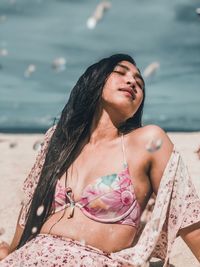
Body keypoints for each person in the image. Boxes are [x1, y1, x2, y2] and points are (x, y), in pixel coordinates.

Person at [0, 54, 200, 267]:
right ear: (95, 81)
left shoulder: (148, 141)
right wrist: (11, 252)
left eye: (139, 83)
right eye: (121, 73)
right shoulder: (59, 140)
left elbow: (188, 214)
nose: (132, 81)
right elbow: (32, 204)